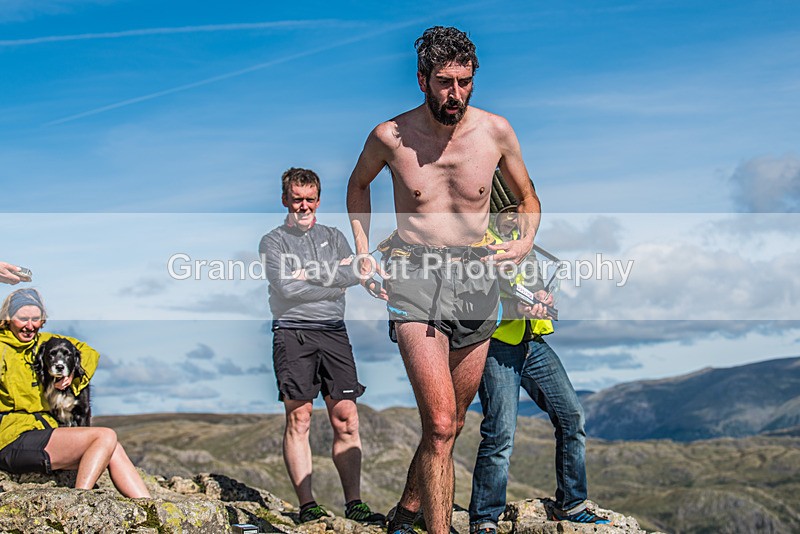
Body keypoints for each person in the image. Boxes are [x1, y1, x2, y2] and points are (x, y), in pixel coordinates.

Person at [346, 26, 540, 534]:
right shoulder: (390, 136)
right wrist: (363, 253)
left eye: (464, 82)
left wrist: (523, 242)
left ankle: (406, 514)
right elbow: (358, 185)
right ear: (422, 79)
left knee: (451, 424)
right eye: (444, 82)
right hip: (414, 276)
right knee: (437, 423)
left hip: (477, 279)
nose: (455, 93)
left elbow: (528, 198)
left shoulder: (496, 131)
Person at [468, 175, 609, 533]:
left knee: (572, 416)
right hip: (498, 344)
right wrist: (516, 307)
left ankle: (572, 503)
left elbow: (533, 287)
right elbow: (473, 300)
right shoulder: (479, 246)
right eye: (512, 212)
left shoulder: (525, 243)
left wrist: (543, 298)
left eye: (521, 211)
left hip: (533, 342)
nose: (518, 218)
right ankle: (484, 519)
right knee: (500, 433)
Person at [259, 167, 384, 524]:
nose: (303, 206)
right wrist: (336, 279)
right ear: (284, 199)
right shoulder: (272, 242)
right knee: (299, 418)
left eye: (310, 199)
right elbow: (287, 288)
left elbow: (355, 275)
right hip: (292, 332)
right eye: (296, 199)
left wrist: (309, 274)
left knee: (347, 419)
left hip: (333, 332)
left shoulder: (334, 236)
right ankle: (307, 506)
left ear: (318, 199)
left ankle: (354, 503)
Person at [0, 288, 151, 498]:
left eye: (36, 319)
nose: (30, 325)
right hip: (12, 438)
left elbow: (88, 353)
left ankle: (147, 505)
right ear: (8, 318)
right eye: (23, 319)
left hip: (43, 431)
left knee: (112, 446)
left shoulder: (44, 342)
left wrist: (72, 375)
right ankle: (80, 499)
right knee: (104, 436)